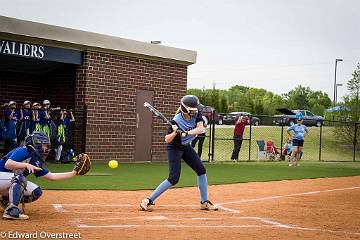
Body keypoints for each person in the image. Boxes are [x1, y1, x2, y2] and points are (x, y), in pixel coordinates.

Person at [140, 95, 218, 211]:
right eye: (193, 109)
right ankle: (148, 200)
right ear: (185, 109)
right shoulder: (176, 120)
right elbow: (167, 139)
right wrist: (175, 132)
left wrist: (186, 133)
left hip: (186, 147)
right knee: (173, 178)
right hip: (175, 147)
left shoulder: (197, 116)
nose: (196, 110)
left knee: (201, 170)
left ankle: (204, 202)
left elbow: (201, 129)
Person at [0, 132, 81, 220]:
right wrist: (26, 165)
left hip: (5, 181)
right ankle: (11, 211)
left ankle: (5, 200)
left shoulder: (35, 159)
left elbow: (51, 176)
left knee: (36, 192)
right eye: (43, 145)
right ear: (36, 144)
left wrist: (74, 173)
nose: (46, 148)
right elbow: (8, 164)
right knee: (20, 178)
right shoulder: (23, 150)